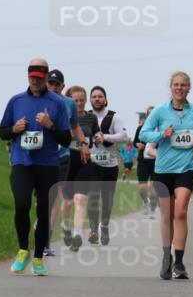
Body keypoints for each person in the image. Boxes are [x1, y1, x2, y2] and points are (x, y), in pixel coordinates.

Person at [0, 58, 71, 276]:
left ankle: (38, 257)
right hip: (22, 162)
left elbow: (66, 139)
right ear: (27, 76)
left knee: (43, 211)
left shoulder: (57, 103)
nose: (35, 81)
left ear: (46, 77)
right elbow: (2, 132)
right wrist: (14, 129)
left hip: (47, 164)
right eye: (32, 78)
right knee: (21, 205)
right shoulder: (16, 101)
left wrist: (50, 126)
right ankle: (23, 250)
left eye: (40, 78)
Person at [138, 72, 193, 280]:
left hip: (187, 167)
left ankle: (179, 261)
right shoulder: (159, 111)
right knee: (166, 215)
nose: (179, 88)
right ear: (171, 87)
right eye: (176, 85)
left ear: (189, 88)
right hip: (163, 168)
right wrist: (161, 135)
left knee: (180, 213)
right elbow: (143, 134)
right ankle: (166, 258)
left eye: (183, 85)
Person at [39, 69, 86, 257]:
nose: (53, 87)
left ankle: (46, 241)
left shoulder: (69, 104)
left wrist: (83, 144)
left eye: (57, 84)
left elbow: (75, 126)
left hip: (63, 155)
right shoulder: (38, 100)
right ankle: (41, 231)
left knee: (55, 199)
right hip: (42, 155)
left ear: (63, 86)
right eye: (50, 83)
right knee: (46, 201)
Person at [87, 86, 128, 245]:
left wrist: (105, 136)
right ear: (90, 100)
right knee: (93, 197)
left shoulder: (114, 117)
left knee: (107, 199)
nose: (97, 99)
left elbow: (124, 136)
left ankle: (104, 226)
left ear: (105, 99)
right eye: (94, 97)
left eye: (100, 96)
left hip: (110, 165)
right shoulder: (85, 117)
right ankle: (93, 230)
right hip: (91, 163)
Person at [60, 86, 99, 252]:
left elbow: (96, 133)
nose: (79, 103)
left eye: (82, 100)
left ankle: (77, 235)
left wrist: (98, 136)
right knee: (68, 202)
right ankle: (65, 226)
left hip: (85, 161)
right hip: (68, 160)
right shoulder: (64, 117)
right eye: (76, 100)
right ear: (70, 101)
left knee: (80, 199)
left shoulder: (91, 118)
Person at [133, 107, 158, 217]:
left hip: (156, 160)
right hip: (143, 160)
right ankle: (145, 201)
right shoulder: (141, 128)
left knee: (154, 186)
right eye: (150, 114)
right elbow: (135, 142)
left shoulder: (161, 128)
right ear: (147, 116)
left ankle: (153, 209)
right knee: (142, 187)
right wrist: (138, 144)